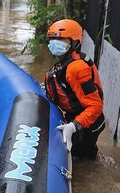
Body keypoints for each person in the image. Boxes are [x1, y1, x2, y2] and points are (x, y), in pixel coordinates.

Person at [44, 19, 105, 160]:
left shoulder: (78, 68)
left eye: (60, 39)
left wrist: (74, 126)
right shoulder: (64, 63)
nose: (54, 43)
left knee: (81, 161)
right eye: (52, 39)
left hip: (87, 122)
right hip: (75, 116)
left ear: (73, 42)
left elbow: (96, 106)